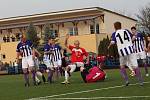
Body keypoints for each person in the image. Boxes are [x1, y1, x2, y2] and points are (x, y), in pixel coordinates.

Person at [108, 22, 143, 86]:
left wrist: (109, 46)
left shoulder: (115, 33)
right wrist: (130, 42)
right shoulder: (126, 30)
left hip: (122, 52)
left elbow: (112, 42)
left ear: (114, 27)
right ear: (121, 26)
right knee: (135, 66)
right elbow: (133, 38)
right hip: (130, 50)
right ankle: (140, 81)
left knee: (122, 66)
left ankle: (126, 80)